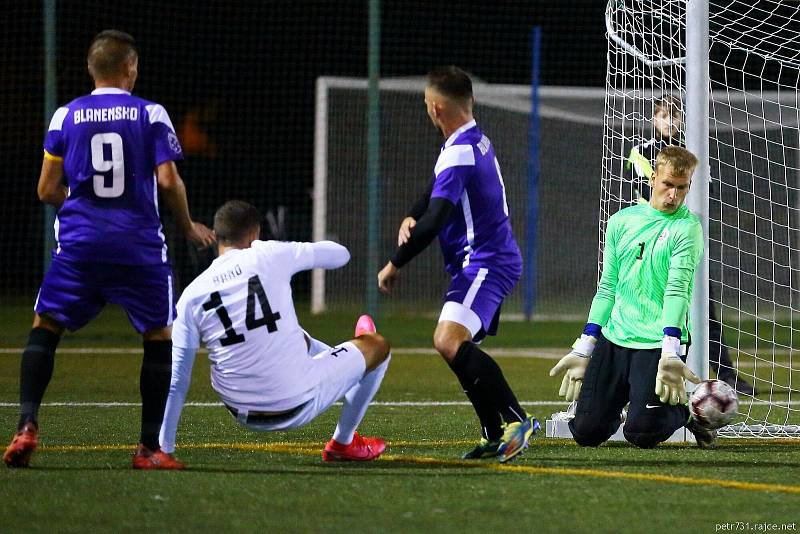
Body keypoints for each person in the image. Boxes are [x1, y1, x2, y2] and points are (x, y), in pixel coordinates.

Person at [3, 30, 215, 469]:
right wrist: (187, 225)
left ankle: (26, 424)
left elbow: (46, 190)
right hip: (138, 246)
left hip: (80, 246)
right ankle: (148, 449)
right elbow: (168, 179)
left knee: (46, 326)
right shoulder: (150, 114)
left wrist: (82, 202)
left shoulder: (66, 115)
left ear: (90, 69)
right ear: (130, 68)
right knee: (158, 336)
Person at [377, 66, 537, 463]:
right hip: (482, 260)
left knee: (447, 340)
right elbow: (437, 190)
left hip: (486, 261)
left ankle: (518, 420)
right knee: (454, 344)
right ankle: (492, 432)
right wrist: (412, 212)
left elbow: (434, 220)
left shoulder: (461, 149)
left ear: (435, 108)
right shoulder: (473, 140)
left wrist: (394, 264)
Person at [159, 200, 391, 466]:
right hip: (296, 403)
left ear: (217, 236)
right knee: (378, 346)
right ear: (255, 234)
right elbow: (341, 254)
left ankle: (340, 357)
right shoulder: (268, 254)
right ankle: (344, 442)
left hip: (240, 411)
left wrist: (163, 447)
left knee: (293, 335)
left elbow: (177, 380)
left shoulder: (191, 295)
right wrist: (274, 249)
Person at [550, 145, 719, 449]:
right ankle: (622, 401)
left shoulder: (687, 228)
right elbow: (607, 287)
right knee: (586, 431)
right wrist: (585, 346)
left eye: (682, 188)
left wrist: (671, 350)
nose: (673, 195)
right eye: (668, 184)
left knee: (640, 433)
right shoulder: (621, 222)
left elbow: (677, 290)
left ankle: (686, 414)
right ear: (654, 178)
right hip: (615, 337)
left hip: (657, 342)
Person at [626, 95, 757, 396]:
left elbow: (703, 190)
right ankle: (642, 373)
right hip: (651, 242)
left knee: (702, 307)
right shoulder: (640, 151)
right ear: (654, 119)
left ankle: (726, 373)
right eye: (663, 116)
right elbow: (650, 188)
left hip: (685, 238)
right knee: (649, 308)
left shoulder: (693, 152)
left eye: (674, 116)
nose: (669, 121)